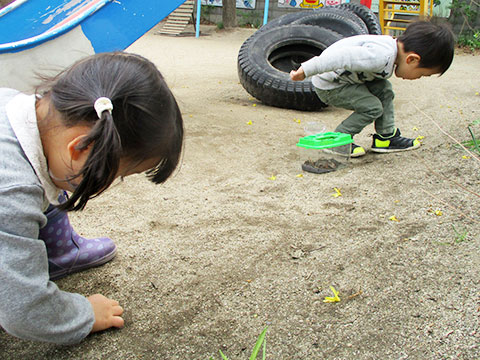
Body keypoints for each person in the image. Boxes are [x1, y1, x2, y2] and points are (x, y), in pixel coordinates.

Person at [0, 52, 184, 344]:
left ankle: (52, 251)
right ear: (80, 150)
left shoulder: (11, 104)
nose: (112, 183)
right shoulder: (11, 192)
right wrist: (83, 313)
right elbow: (24, 310)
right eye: (119, 173)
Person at [290, 21, 455, 157]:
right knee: (372, 107)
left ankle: (386, 137)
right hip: (331, 86)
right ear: (412, 59)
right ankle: (339, 140)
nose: (417, 78)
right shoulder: (379, 56)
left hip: (349, 80)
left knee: (384, 90)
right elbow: (340, 57)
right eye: (422, 74)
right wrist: (305, 70)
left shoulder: (392, 50)